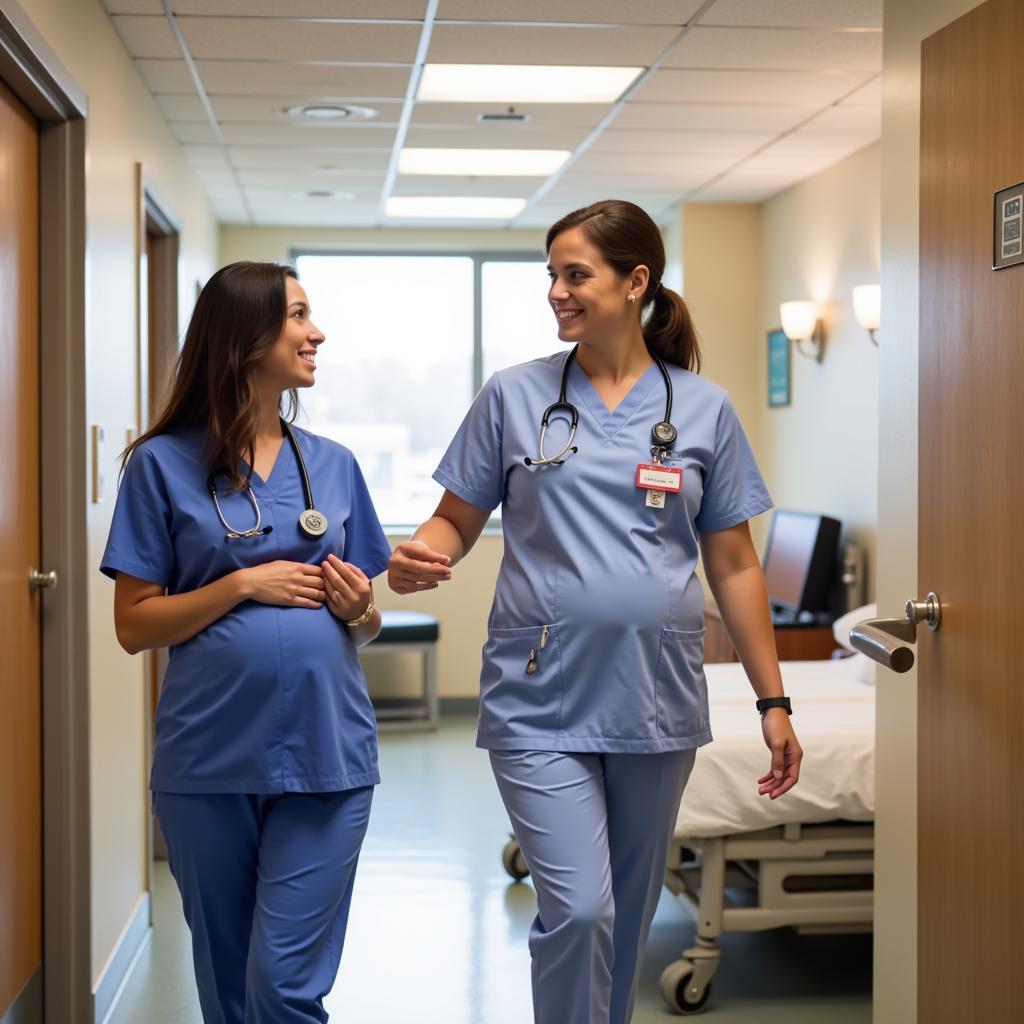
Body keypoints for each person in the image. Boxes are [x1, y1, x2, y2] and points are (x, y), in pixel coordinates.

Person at [388, 200, 803, 1024]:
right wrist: (422, 553)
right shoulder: (514, 397)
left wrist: (774, 699)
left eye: (575, 274)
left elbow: (734, 562)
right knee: (579, 910)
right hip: (539, 695)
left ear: (634, 282)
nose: (556, 292)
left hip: (655, 697)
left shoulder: (703, 409)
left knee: (628, 918)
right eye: (551, 275)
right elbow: (456, 518)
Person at [101, 262, 392, 1023]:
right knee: (230, 985)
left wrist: (361, 607)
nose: (316, 332)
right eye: (298, 315)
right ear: (245, 335)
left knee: (283, 984)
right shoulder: (160, 465)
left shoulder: (332, 464)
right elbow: (133, 624)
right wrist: (241, 585)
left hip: (327, 757)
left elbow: (368, 623)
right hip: (209, 761)